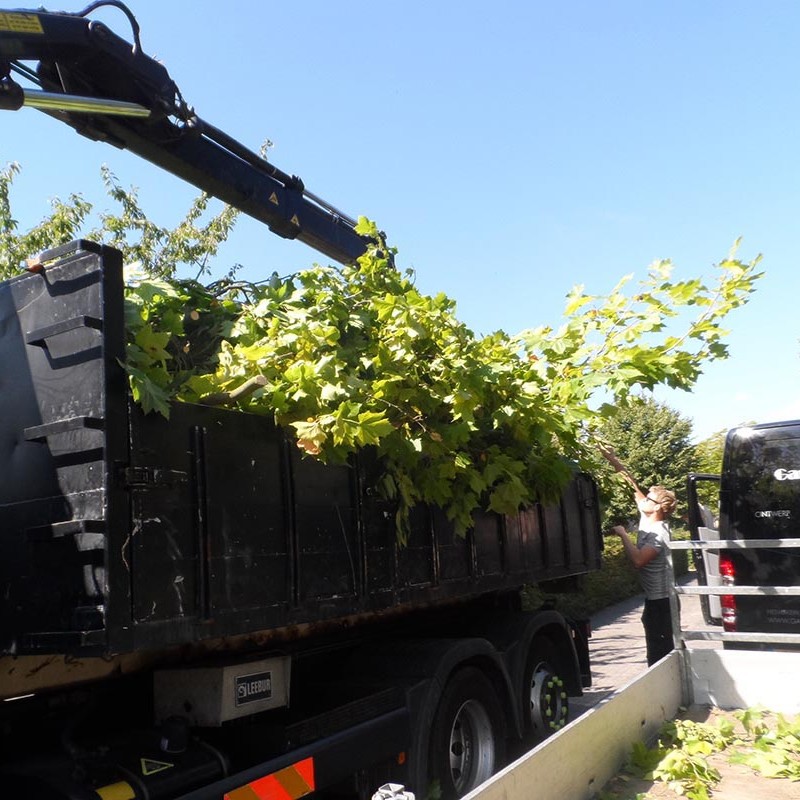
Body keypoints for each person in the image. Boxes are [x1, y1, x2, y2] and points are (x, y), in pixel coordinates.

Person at [598, 444, 679, 666]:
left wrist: (623, 534)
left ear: (658, 508)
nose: (643, 500)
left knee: (661, 654)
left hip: (662, 603)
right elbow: (632, 486)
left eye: (649, 499)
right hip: (655, 601)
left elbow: (638, 560)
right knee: (656, 651)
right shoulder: (648, 519)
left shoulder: (658, 533)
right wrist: (613, 459)